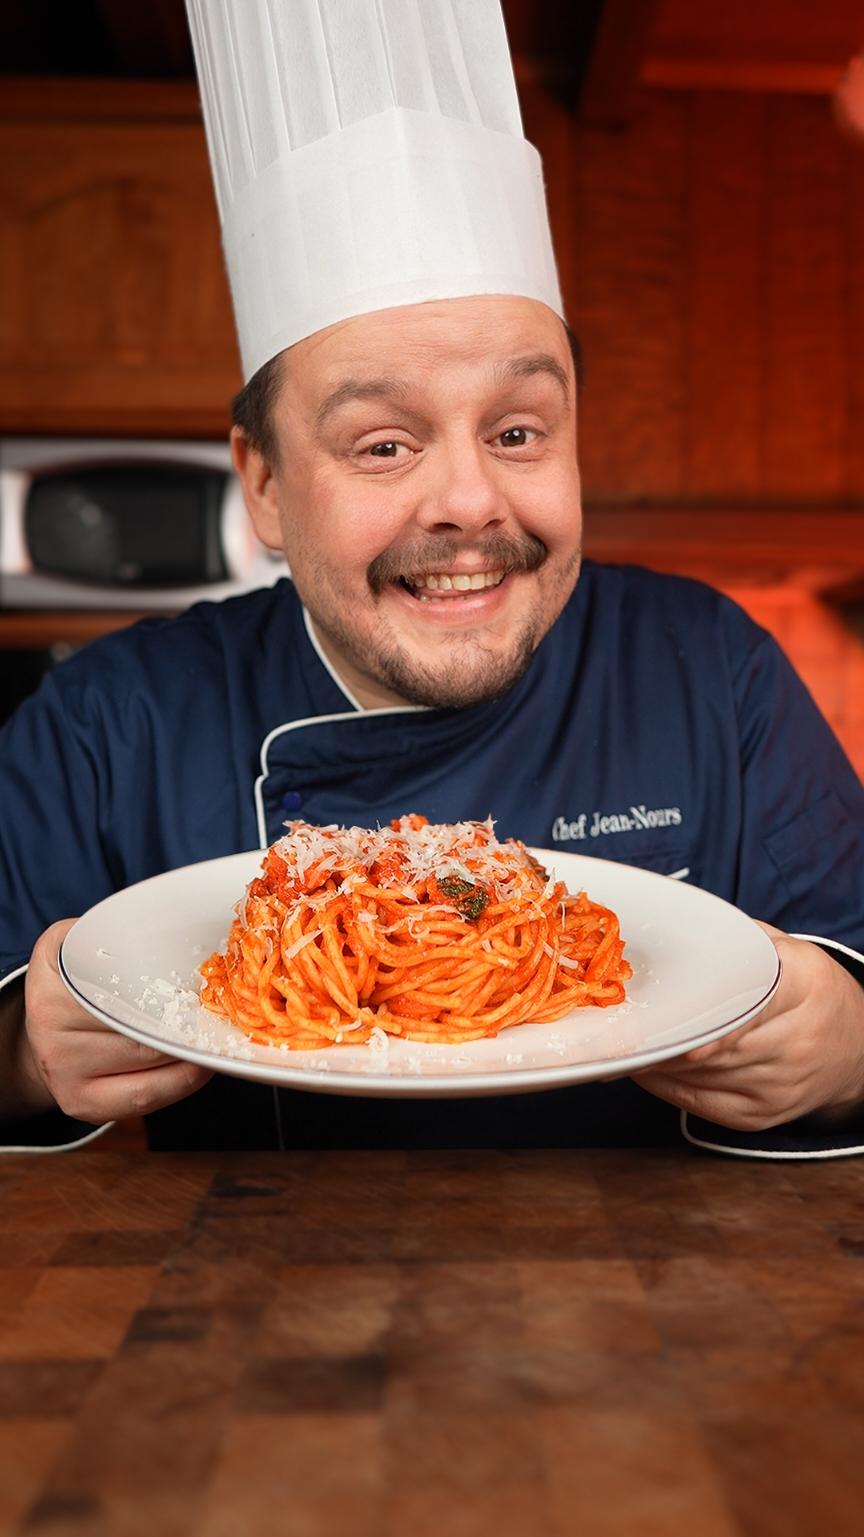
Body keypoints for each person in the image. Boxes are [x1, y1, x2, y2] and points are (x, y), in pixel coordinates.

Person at [2, 0, 863, 1160]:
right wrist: (22, 1055)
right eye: (384, 444)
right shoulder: (107, 723)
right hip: (232, 1323)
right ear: (263, 484)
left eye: (517, 431)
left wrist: (848, 1045)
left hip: (656, 1322)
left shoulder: (711, 666)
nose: (468, 502)